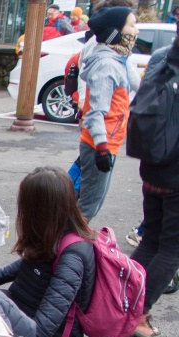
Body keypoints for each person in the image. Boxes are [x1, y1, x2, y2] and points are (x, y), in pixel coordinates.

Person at [0, 167, 96, 337]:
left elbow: (43, 329)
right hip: (20, 307)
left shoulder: (73, 257)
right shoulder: (52, 229)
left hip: (47, 335)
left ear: (39, 209)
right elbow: (30, 262)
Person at [128, 29, 179, 337]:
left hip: (152, 166)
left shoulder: (161, 59)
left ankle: (121, 299)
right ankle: (138, 312)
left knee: (150, 240)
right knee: (171, 248)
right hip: (176, 172)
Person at [76, 6, 138, 221]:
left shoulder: (117, 61)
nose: (136, 31)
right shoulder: (107, 66)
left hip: (105, 143)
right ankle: (64, 248)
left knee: (92, 201)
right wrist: (102, 147)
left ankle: (66, 244)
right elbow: (95, 112)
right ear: (115, 32)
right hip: (98, 145)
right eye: (131, 25)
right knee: (87, 206)